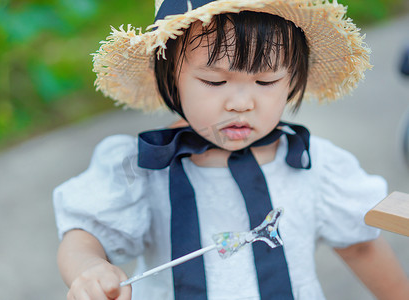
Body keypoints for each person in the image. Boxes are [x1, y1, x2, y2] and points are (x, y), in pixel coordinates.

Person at [53, 0, 409, 299]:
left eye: (266, 81)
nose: (240, 103)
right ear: (170, 77)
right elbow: (86, 235)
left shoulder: (312, 163)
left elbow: (360, 245)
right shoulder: (141, 165)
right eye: (215, 81)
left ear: (292, 79)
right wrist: (89, 268)